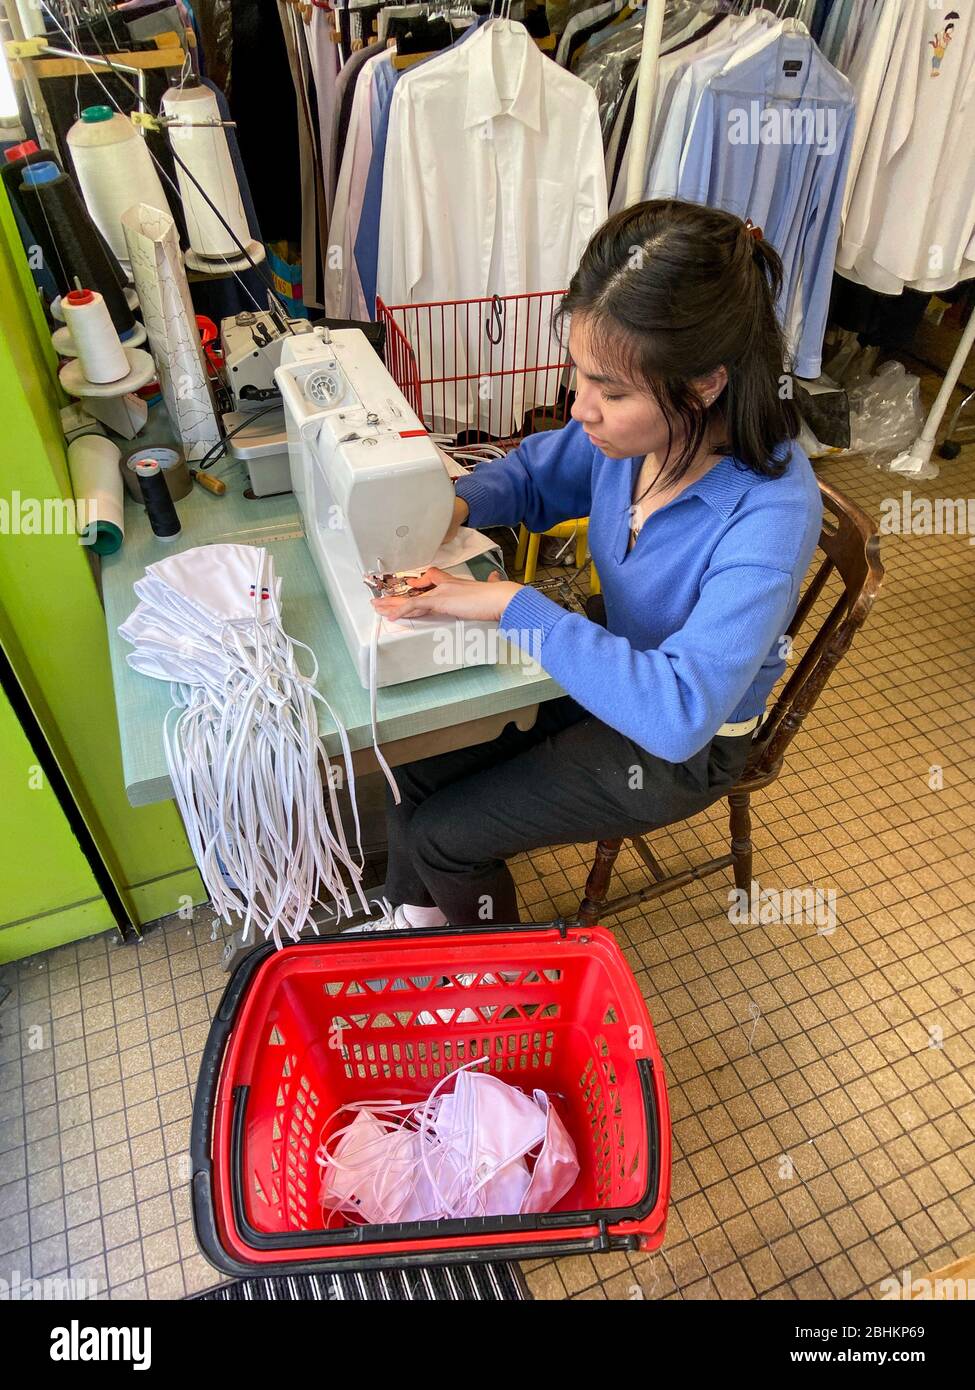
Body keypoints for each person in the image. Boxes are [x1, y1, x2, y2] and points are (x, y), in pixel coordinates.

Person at [356, 199, 822, 931]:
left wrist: (511, 604)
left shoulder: (769, 513)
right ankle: (412, 928)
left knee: (447, 835)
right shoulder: (634, 439)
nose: (582, 409)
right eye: (579, 377)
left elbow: (676, 716)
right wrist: (451, 507)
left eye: (611, 390)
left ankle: (492, 1008)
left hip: (685, 742)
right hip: (616, 661)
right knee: (413, 764)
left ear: (704, 383)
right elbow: (538, 477)